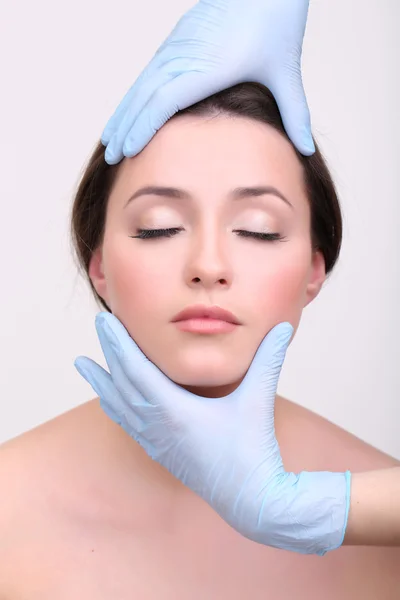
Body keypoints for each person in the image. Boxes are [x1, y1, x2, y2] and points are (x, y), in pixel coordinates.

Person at [1, 80, 399, 598]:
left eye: (258, 229)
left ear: (313, 271)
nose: (208, 266)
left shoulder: (382, 522)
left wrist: (332, 511)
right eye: (158, 227)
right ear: (99, 267)